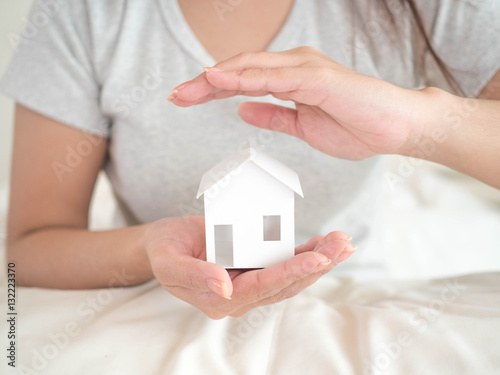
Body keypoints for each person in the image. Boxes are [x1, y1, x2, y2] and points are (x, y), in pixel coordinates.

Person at [1, 0, 499, 319]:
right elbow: (23, 255)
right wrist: (149, 248)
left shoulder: (428, 8)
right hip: (159, 309)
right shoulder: (85, 15)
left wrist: (417, 123)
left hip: (349, 301)